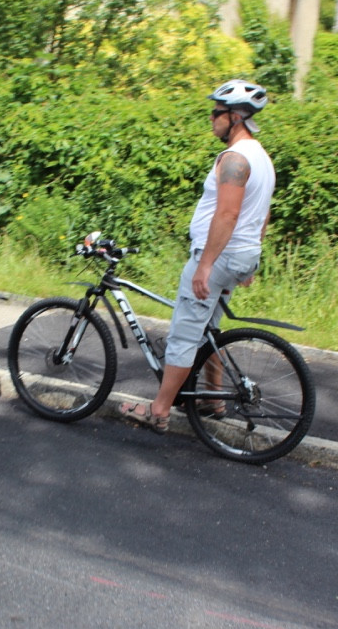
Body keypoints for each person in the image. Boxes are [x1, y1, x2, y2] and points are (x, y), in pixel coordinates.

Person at [118, 80, 275, 434]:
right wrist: (251, 261)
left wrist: (205, 265)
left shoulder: (235, 158)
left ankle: (158, 410)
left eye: (217, 112)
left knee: (185, 333)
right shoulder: (262, 157)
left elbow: (228, 215)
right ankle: (212, 398)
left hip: (219, 256)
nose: (211, 118)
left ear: (235, 117)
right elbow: (263, 214)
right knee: (210, 328)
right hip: (241, 255)